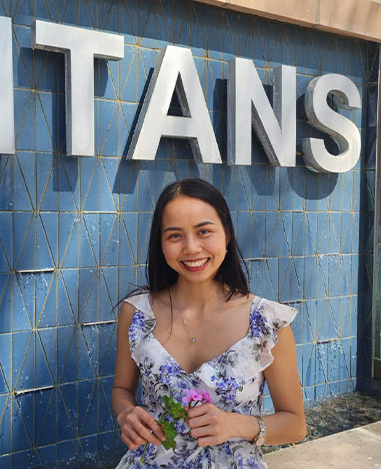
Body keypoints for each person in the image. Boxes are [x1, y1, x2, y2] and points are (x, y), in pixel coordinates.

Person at [111, 178, 306, 468]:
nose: (191, 248)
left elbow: (295, 425)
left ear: (226, 234)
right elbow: (121, 390)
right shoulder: (138, 312)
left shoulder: (266, 322)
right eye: (175, 236)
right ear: (161, 244)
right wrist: (126, 413)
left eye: (204, 231)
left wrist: (236, 425)